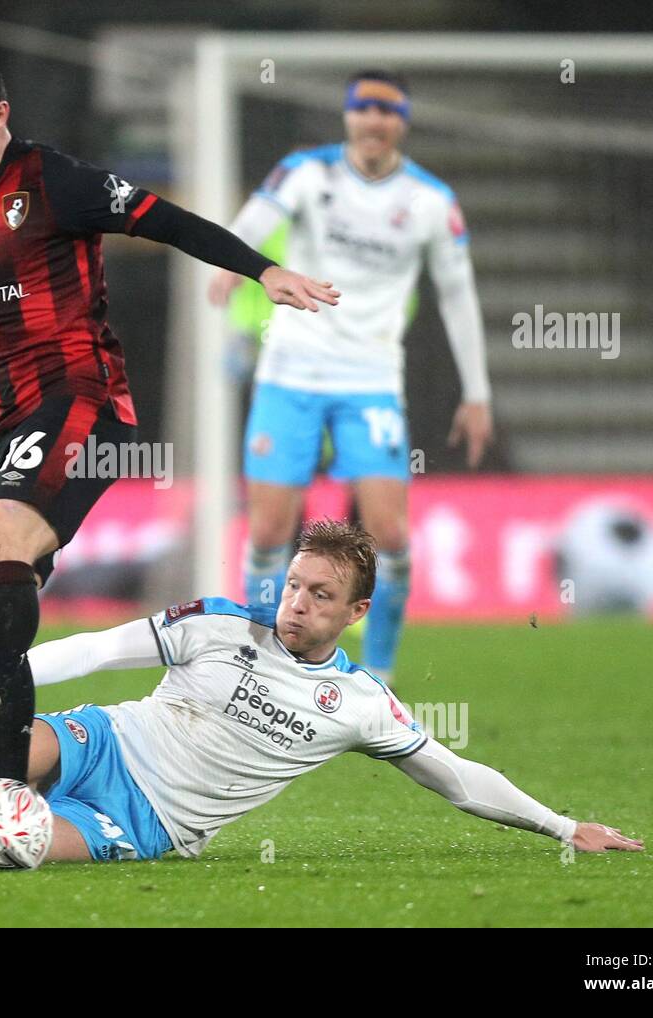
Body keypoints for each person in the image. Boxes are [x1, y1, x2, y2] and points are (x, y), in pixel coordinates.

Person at [0, 46, 338, 784]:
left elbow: (165, 220)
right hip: (12, 420)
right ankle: (9, 792)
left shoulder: (58, 182)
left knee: (1, 541)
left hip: (83, 398)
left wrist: (262, 270)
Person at [0, 519, 642, 864]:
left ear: (354, 616)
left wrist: (566, 830)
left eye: (320, 596)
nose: (296, 602)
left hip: (152, 827)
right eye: (295, 583)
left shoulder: (360, 707)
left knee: (4, 845)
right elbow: (96, 650)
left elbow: (457, 778)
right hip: (107, 742)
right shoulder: (221, 621)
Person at [209, 70, 493, 687]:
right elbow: (255, 221)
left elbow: (458, 295)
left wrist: (477, 392)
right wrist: (237, 264)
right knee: (268, 530)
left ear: (403, 122)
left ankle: (380, 676)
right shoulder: (308, 173)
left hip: (370, 382)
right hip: (290, 372)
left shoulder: (429, 200)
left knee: (390, 535)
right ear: (347, 116)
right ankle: (255, 661)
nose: (374, 119)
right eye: (363, 107)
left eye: (387, 110)